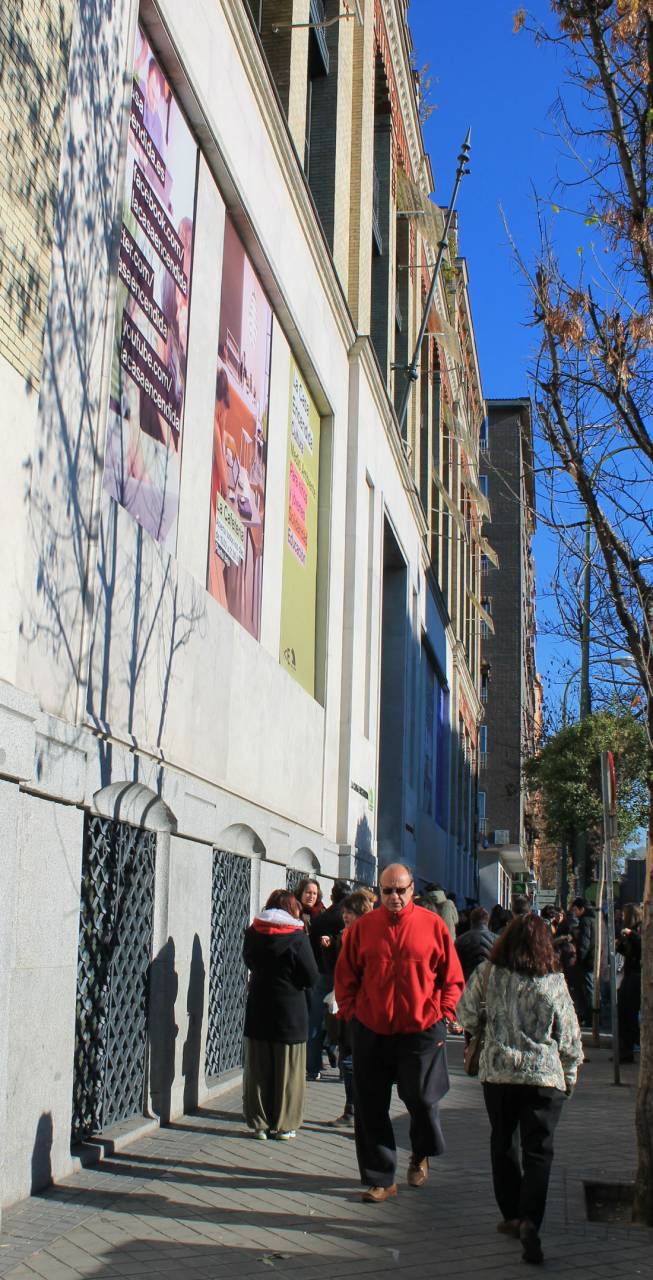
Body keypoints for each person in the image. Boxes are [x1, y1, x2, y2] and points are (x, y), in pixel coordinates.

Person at [457, 914, 582, 1265]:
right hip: (543, 1078)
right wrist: (569, 1078)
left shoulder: (487, 974)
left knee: (503, 1142)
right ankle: (530, 1218)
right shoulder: (553, 982)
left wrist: (486, 1022)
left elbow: (464, 1014)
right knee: (539, 1151)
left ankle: (512, 1213)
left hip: (498, 1074)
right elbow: (570, 1038)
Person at [335, 862, 464, 1203]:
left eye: (400, 890)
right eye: (387, 890)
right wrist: (352, 1013)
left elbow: (451, 977)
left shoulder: (432, 926)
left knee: (421, 1099)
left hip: (420, 1028)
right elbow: (346, 975)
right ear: (378, 892)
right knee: (370, 1106)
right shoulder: (364, 928)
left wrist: (443, 1012)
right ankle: (381, 1177)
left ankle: (420, 1151)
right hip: (372, 1028)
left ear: (412, 892)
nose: (393, 897)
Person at [242, 890, 319, 1140]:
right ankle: (285, 1125)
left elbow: (249, 961)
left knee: (258, 1069)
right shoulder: (297, 936)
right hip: (290, 1010)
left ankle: (259, 1123)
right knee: (289, 1069)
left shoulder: (253, 931)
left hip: (259, 1006)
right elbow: (310, 975)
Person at [325, 890, 375, 1127]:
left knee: (353, 1060)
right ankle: (352, 1108)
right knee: (346, 1055)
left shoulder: (370, 936)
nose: (345, 916)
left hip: (362, 1008)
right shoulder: (344, 935)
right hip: (345, 1004)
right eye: (344, 912)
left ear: (361, 913)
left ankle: (356, 1110)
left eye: (350, 912)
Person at [306, 879, 352, 1079]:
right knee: (344, 1023)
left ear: (332, 896)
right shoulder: (347, 919)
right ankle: (344, 1068)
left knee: (315, 1020)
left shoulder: (320, 918)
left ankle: (313, 1067)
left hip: (322, 972)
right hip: (343, 975)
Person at [616, 903, 642, 1063]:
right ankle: (625, 1050)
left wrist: (631, 934)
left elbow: (643, 947)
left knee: (630, 1013)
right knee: (623, 1013)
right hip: (630, 974)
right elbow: (630, 952)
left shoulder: (640, 930)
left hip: (637, 976)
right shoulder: (631, 933)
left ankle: (633, 1044)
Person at [569, 897, 596, 1026]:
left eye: (575, 909)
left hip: (587, 961)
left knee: (588, 989)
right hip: (592, 960)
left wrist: (579, 957)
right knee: (589, 988)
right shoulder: (595, 919)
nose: (574, 912)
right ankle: (591, 1016)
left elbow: (584, 942)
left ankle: (591, 1017)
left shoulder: (585, 921)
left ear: (582, 909)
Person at [455, 906, 496, 982]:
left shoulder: (460, 940)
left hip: (468, 982)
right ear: (488, 921)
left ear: (471, 921)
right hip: (490, 982)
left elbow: (456, 967)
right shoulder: (498, 940)